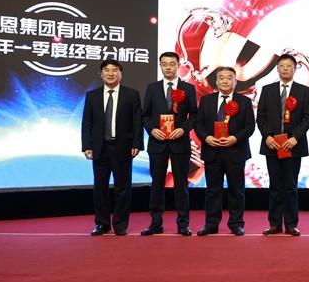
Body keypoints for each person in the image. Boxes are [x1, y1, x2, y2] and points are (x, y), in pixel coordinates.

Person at [81, 59, 143, 236]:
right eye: (106, 70)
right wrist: (87, 146)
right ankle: (102, 224)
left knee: (123, 188)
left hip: (123, 147)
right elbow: (87, 123)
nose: (110, 73)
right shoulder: (92, 96)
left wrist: (137, 144)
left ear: (120, 74)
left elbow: (137, 122)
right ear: (101, 74)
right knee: (100, 188)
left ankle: (120, 224)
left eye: (114, 70)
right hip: (100, 148)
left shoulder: (131, 95)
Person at [140, 51, 198, 236]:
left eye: (172, 64)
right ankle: (155, 223)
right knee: (157, 184)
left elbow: (194, 115)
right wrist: (152, 130)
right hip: (157, 143)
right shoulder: (152, 88)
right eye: (164, 64)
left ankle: (183, 224)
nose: (168, 67)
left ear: (178, 65)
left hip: (180, 142)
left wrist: (183, 129)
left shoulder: (188, 88)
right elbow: (145, 115)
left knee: (181, 185)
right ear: (160, 66)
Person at [256, 54, 309, 236]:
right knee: (275, 186)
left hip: (293, 146)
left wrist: (295, 137)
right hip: (272, 145)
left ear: (295, 69)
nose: (285, 69)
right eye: (282, 66)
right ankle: (274, 223)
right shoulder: (267, 90)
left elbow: (308, 117)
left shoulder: (304, 91)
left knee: (290, 186)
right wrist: (267, 136)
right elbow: (261, 117)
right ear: (277, 68)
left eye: (289, 66)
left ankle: (291, 224)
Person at [194, 66, 255, 236]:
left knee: (236, 190)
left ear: (235, 81)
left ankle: (236, 224)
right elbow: (198, 124)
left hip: (235, 151)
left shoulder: (244, 101)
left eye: (229, 78)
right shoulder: (207, 100)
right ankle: (211, 224)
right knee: (213, 190)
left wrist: (235, 138)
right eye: (221, 78)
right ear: (216, 81)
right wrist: (207, 138)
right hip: (212, 150)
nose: (225, 81)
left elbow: (250, 127)